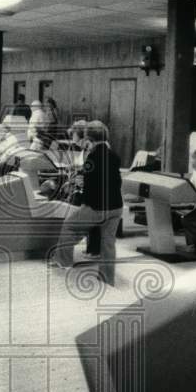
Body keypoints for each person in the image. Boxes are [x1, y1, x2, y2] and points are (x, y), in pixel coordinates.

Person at [52, 121, 123, 284]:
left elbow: (90, 187)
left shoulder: (92, 157)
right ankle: (107, 279)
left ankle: (64, 263)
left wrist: (82, 186)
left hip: (98, 207)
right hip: (116, 207)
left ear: (89, 139)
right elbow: (113, 182)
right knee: (108, 244)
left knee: (69, 226)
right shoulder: (114, 156)